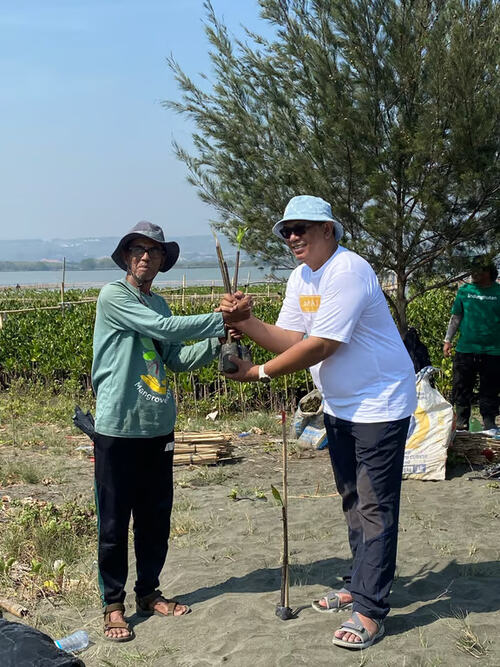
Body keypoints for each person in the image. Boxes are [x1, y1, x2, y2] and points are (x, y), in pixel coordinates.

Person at [222, 195, 417, 650]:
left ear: (328, 230)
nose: (292, 238)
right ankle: (359, 579)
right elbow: (291, 336)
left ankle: (368, 609)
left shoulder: (348, 271)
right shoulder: (302, 276)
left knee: (374, 504)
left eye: (301, 228)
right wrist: (246, 322)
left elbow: (322, 344)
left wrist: (259, 373)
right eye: (286, 231)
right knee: (352, 498)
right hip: (341, 404)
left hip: (380, 403)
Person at [92, 221, 251, 642]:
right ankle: (113, 604)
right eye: (139, 249)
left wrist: (222, 339)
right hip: (118, 427)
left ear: (163, 261)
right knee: (113, 522)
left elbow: (176, 358)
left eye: (155, 251)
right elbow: (162, 330)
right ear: (127, 257)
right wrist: (219, 318)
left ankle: (148, 594)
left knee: (154, 518)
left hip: (158, 426)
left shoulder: (159, 303)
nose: (146, 256)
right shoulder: (113, 296)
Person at [443, 257, 500, 433]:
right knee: (461, 387)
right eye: (472, 270)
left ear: (488, 272)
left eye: (478, 270)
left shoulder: (498, 292)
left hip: (493, 351)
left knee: (490, 389)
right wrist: (447, 340)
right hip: (466, 350)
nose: (473, 274)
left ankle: (489, 423)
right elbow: (456, 317)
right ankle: (461, 422)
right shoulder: (465, 291)